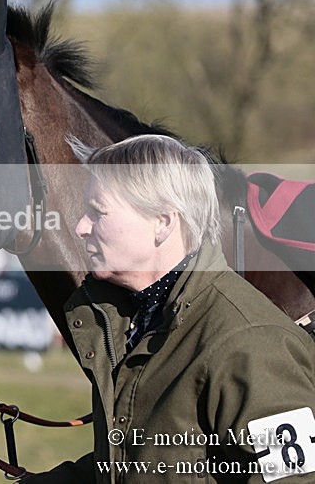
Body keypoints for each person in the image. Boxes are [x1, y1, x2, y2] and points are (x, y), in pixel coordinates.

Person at [23, 135, 315, 483]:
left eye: (98, 212)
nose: (81, 226)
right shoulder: (132, 321)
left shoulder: (250, 341)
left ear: (163, 222)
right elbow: (135, 462)